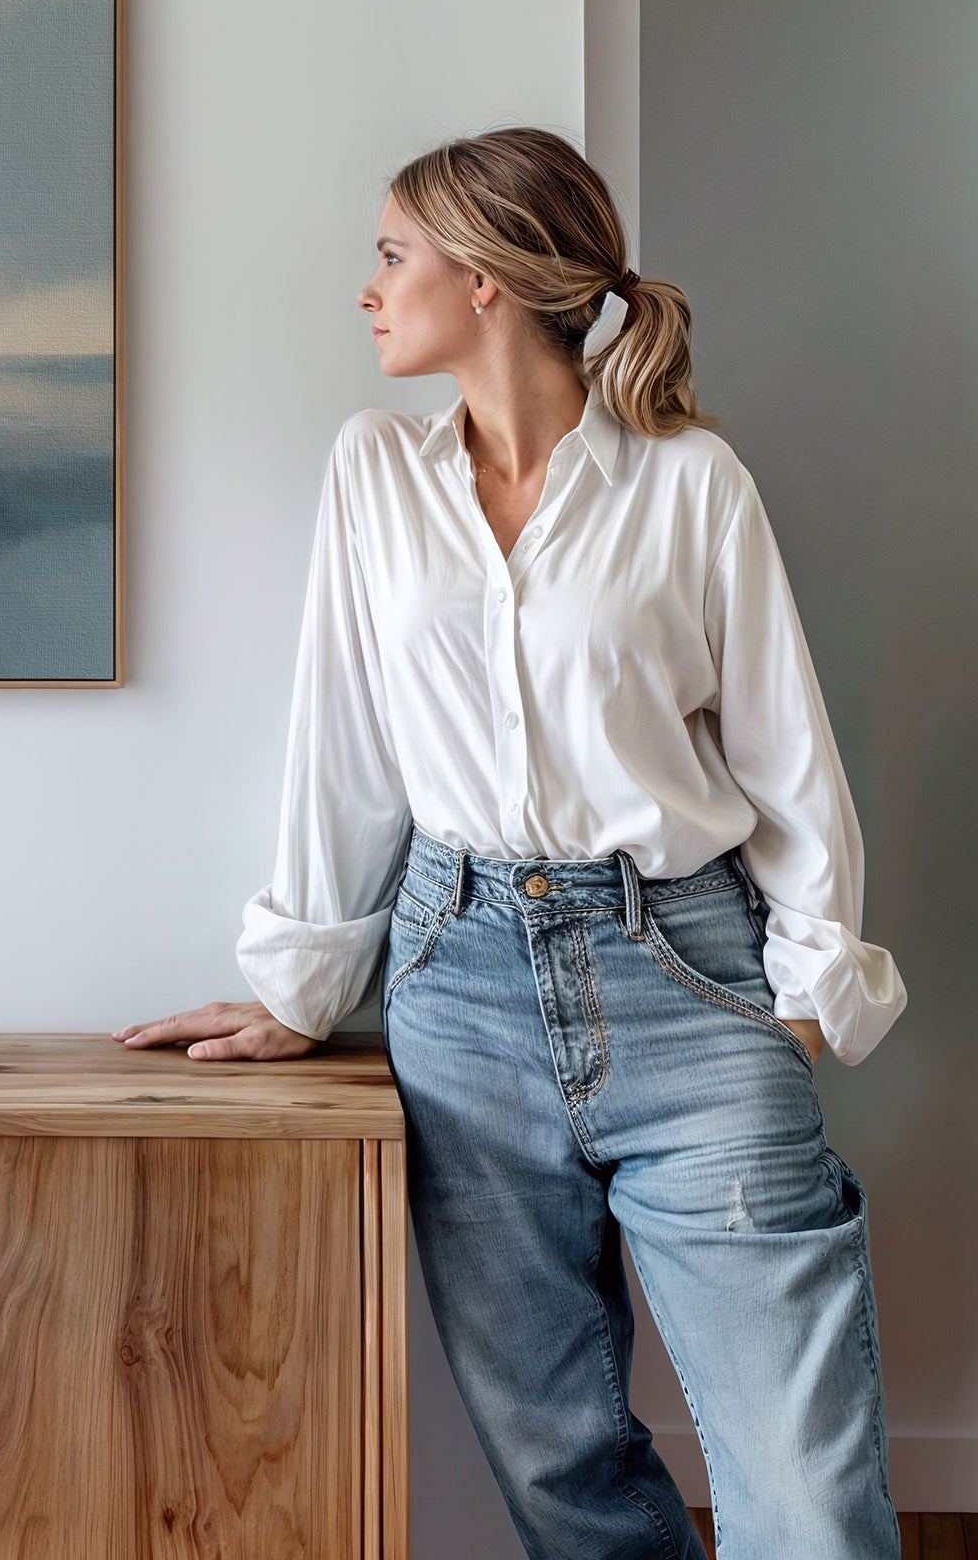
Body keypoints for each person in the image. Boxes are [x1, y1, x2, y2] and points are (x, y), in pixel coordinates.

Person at [114, 128, 907, 1558]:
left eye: (391, 254)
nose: (368, 289)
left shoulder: (690, 484)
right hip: (457, 984)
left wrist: (803, 991)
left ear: (484, 280)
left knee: (804, 1485)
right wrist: (306, 985)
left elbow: (788, 754)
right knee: (562, 1471)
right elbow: (341, 743)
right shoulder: (374, 475)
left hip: (689, 972)